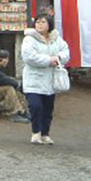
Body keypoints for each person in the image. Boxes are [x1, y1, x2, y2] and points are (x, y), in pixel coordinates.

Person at [22, 13, 70, 145]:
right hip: (34, 79)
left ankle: (45, 134)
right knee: (36, 106)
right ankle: (35, 132)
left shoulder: (56, 39)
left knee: (48, 109)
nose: (40, 24)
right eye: (38, 22)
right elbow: (29, 57)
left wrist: (58, 58)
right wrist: (49, 60)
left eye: (43, 22)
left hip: (50, 80)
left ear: (49, 24)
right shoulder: (29, 39)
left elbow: (66, 52)